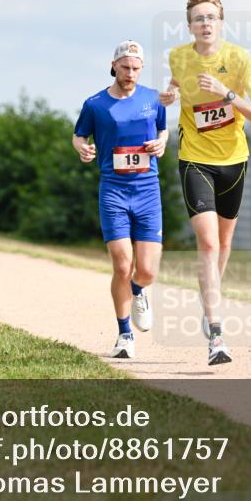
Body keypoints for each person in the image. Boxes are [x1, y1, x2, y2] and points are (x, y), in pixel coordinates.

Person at [160, 0, 251, 366]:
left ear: (221, 23)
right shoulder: (178, 56)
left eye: (211, 17)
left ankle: (209, 294)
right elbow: (176, 80)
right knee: (207, 243)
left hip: (234, 161)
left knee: (223, 244)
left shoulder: (240, 59)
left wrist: (227, 95)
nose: (204, 23)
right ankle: (217, 332)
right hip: (194, 159)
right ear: (189, 25)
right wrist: (169, 93)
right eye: (197, 18)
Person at [73, 40, 168, 360]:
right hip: (113, 191)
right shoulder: (95, 104)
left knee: (148, 271)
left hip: (147, 191)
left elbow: (163, 130)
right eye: (125, 67)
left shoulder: (153, 99)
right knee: (122, 264)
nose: (130, 73)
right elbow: (79, 134)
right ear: (113, 66)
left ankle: (139, 291)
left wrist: (161, 144)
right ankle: (124, 334)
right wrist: (82, 148)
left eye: (136, 69)